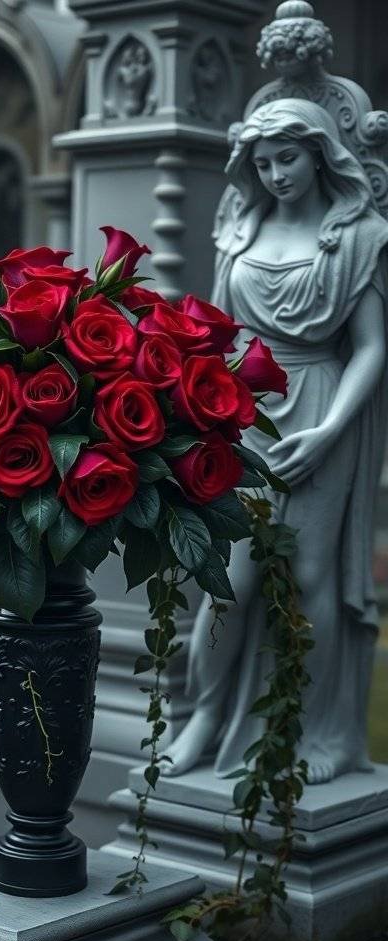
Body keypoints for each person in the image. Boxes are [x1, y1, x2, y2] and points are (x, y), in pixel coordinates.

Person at [163, 98, 388, 785]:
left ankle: (312, 731)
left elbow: (374, 349)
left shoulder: (359, 237)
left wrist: (327, 432)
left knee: (311, 579)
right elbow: (217, 338)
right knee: (228, 583)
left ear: (320, 154)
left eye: (287, 158)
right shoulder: (240, 230)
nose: (276, 174)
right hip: (244, 413)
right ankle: (204, 712)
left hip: (325, 408)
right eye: (262, 164)